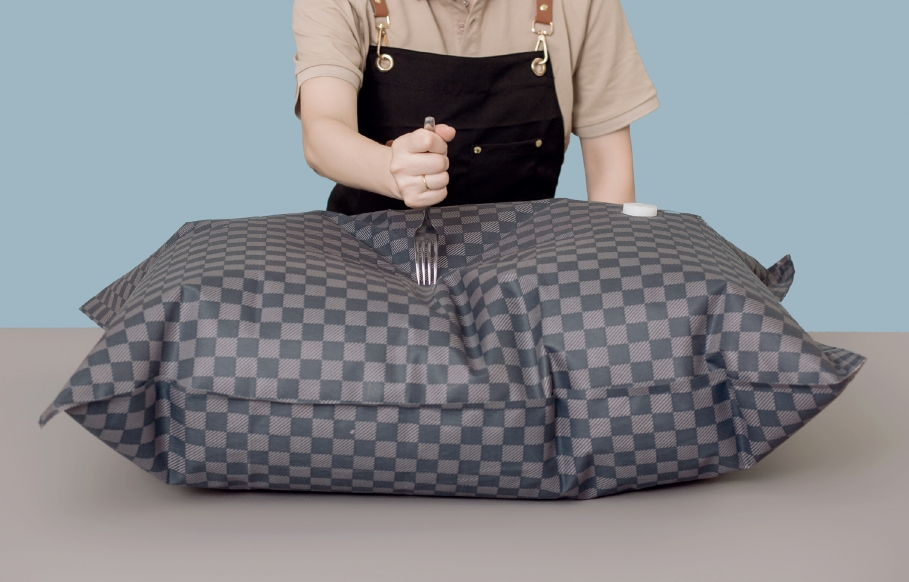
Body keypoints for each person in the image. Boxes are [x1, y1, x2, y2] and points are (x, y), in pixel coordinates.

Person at [293, 0, 658, 215]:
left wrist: (609, 285)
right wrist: (389, 169)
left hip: (523, 284)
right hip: (368, 271)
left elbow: (611, 176)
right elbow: (322, 132)